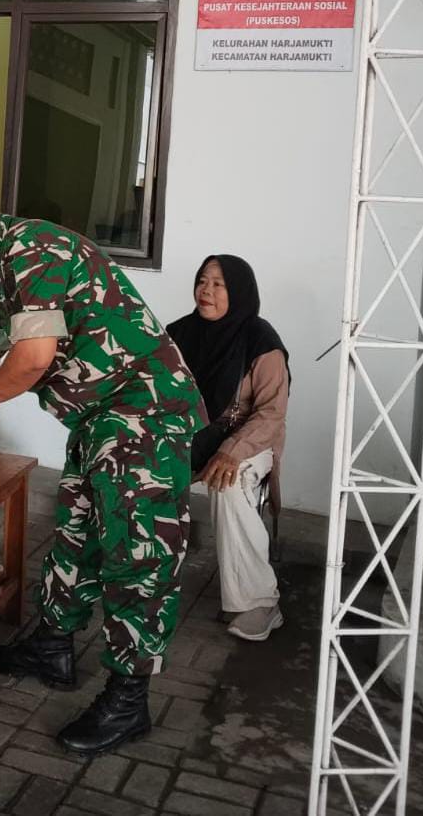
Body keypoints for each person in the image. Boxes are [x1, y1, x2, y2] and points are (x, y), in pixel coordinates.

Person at [0, 187, 204, 755]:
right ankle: (53, 647)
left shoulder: (33, 252)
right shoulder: (6, 267)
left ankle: (129, 698)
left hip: (143, 415)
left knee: (137, 553)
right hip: (101, 418)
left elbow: (32, 359)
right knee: (76, 532)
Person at [167, 255, 291, 642]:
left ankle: (260, 602)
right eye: (202, 281)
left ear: (238, 291)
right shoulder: (179, 333)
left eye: (218, 284)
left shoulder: (261, 342)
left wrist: (231, 450)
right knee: (131, 463)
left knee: (228, 481)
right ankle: (140, 574)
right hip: (191, 436)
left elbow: (271, 414)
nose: (206, 290)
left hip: (249, 440)